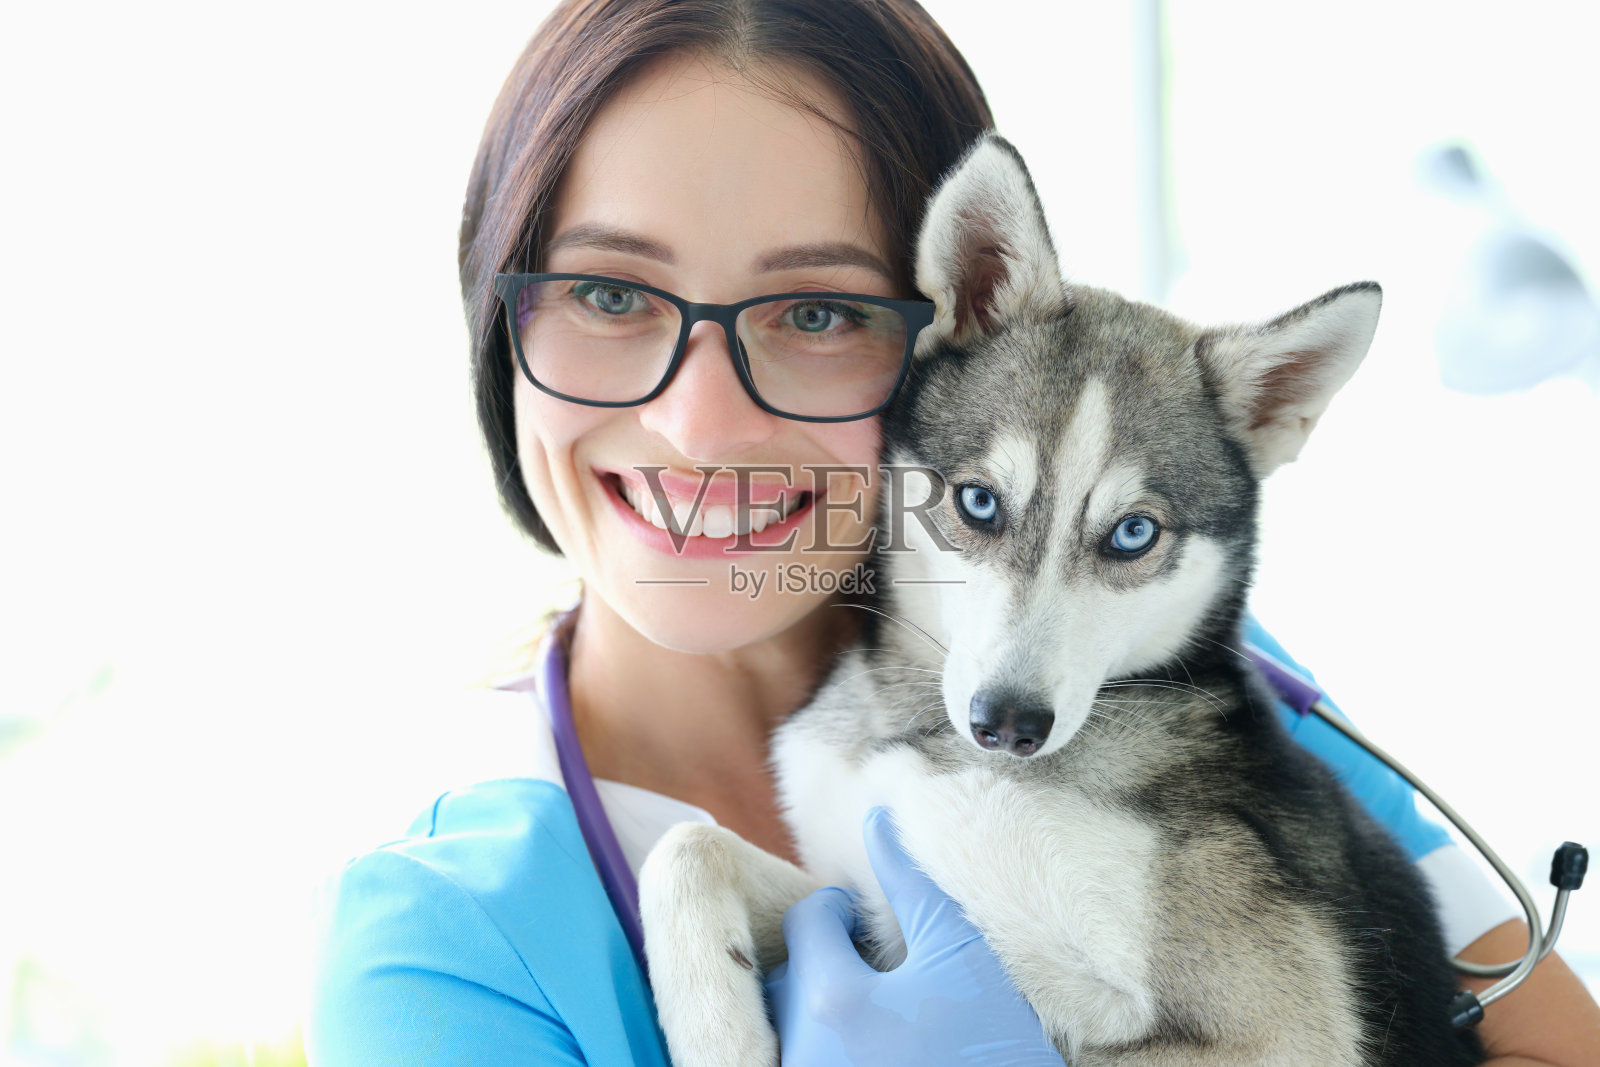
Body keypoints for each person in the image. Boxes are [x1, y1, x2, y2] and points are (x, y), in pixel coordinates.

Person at [307, 1, 1600, 1063]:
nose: (697, 425)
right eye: (607, 292)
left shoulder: (1173, 680)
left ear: (951, 318)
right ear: (498, 316)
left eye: (816, 313)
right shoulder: (446, 949)